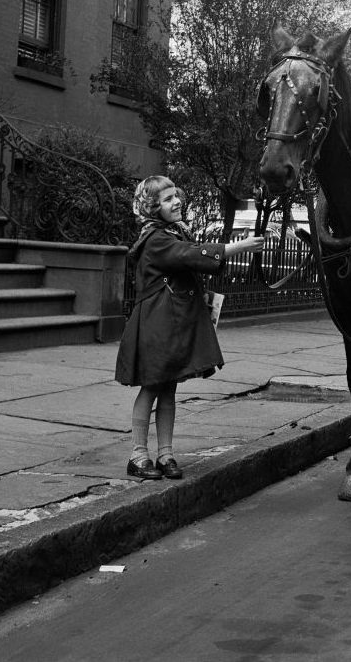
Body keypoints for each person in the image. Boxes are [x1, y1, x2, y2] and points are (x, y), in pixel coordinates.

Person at [115, 176, 264, 480]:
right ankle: (138, 455)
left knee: (168, 387)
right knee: (152, 386)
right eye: (168, 199)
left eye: (176, 196)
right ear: (153, 207)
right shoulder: (156, 238)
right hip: (157, 326)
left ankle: (165, 454)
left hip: (171, 324)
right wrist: (240, 247)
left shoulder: (174, 232)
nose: (176, 202)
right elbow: (190, 256)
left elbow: (191, 257)